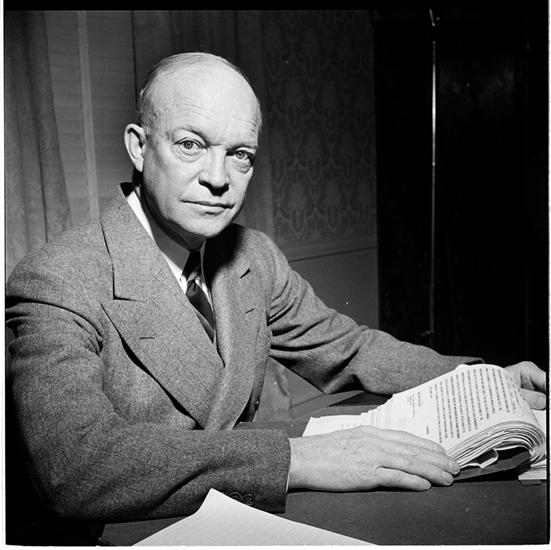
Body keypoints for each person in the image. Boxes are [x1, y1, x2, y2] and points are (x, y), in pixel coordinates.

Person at [6, 52, 546, 522]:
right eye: (191, 144)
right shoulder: (58, 279)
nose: (218, 178)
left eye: (240, 154)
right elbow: (76, 467)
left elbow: (351, 349)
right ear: (139, 147)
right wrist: (298, 461)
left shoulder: (253, 256)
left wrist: (481, 380)